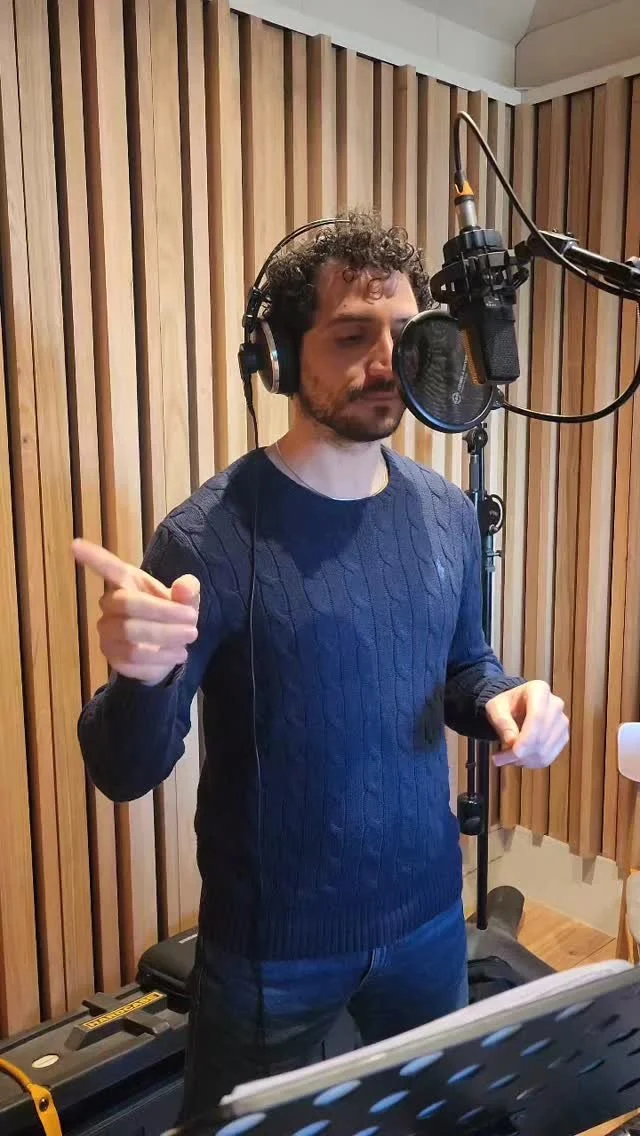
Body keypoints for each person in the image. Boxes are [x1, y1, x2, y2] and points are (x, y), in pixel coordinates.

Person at [73, 211, 569, 1122]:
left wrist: (512, 699)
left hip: (427, 917)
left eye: (404, 334)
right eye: (351, 337)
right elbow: (123, 769)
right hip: (272, 950)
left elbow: (466, 668)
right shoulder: (206, 539)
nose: (388, 362)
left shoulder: (448, 515)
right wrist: (139, 677)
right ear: (278, 356)